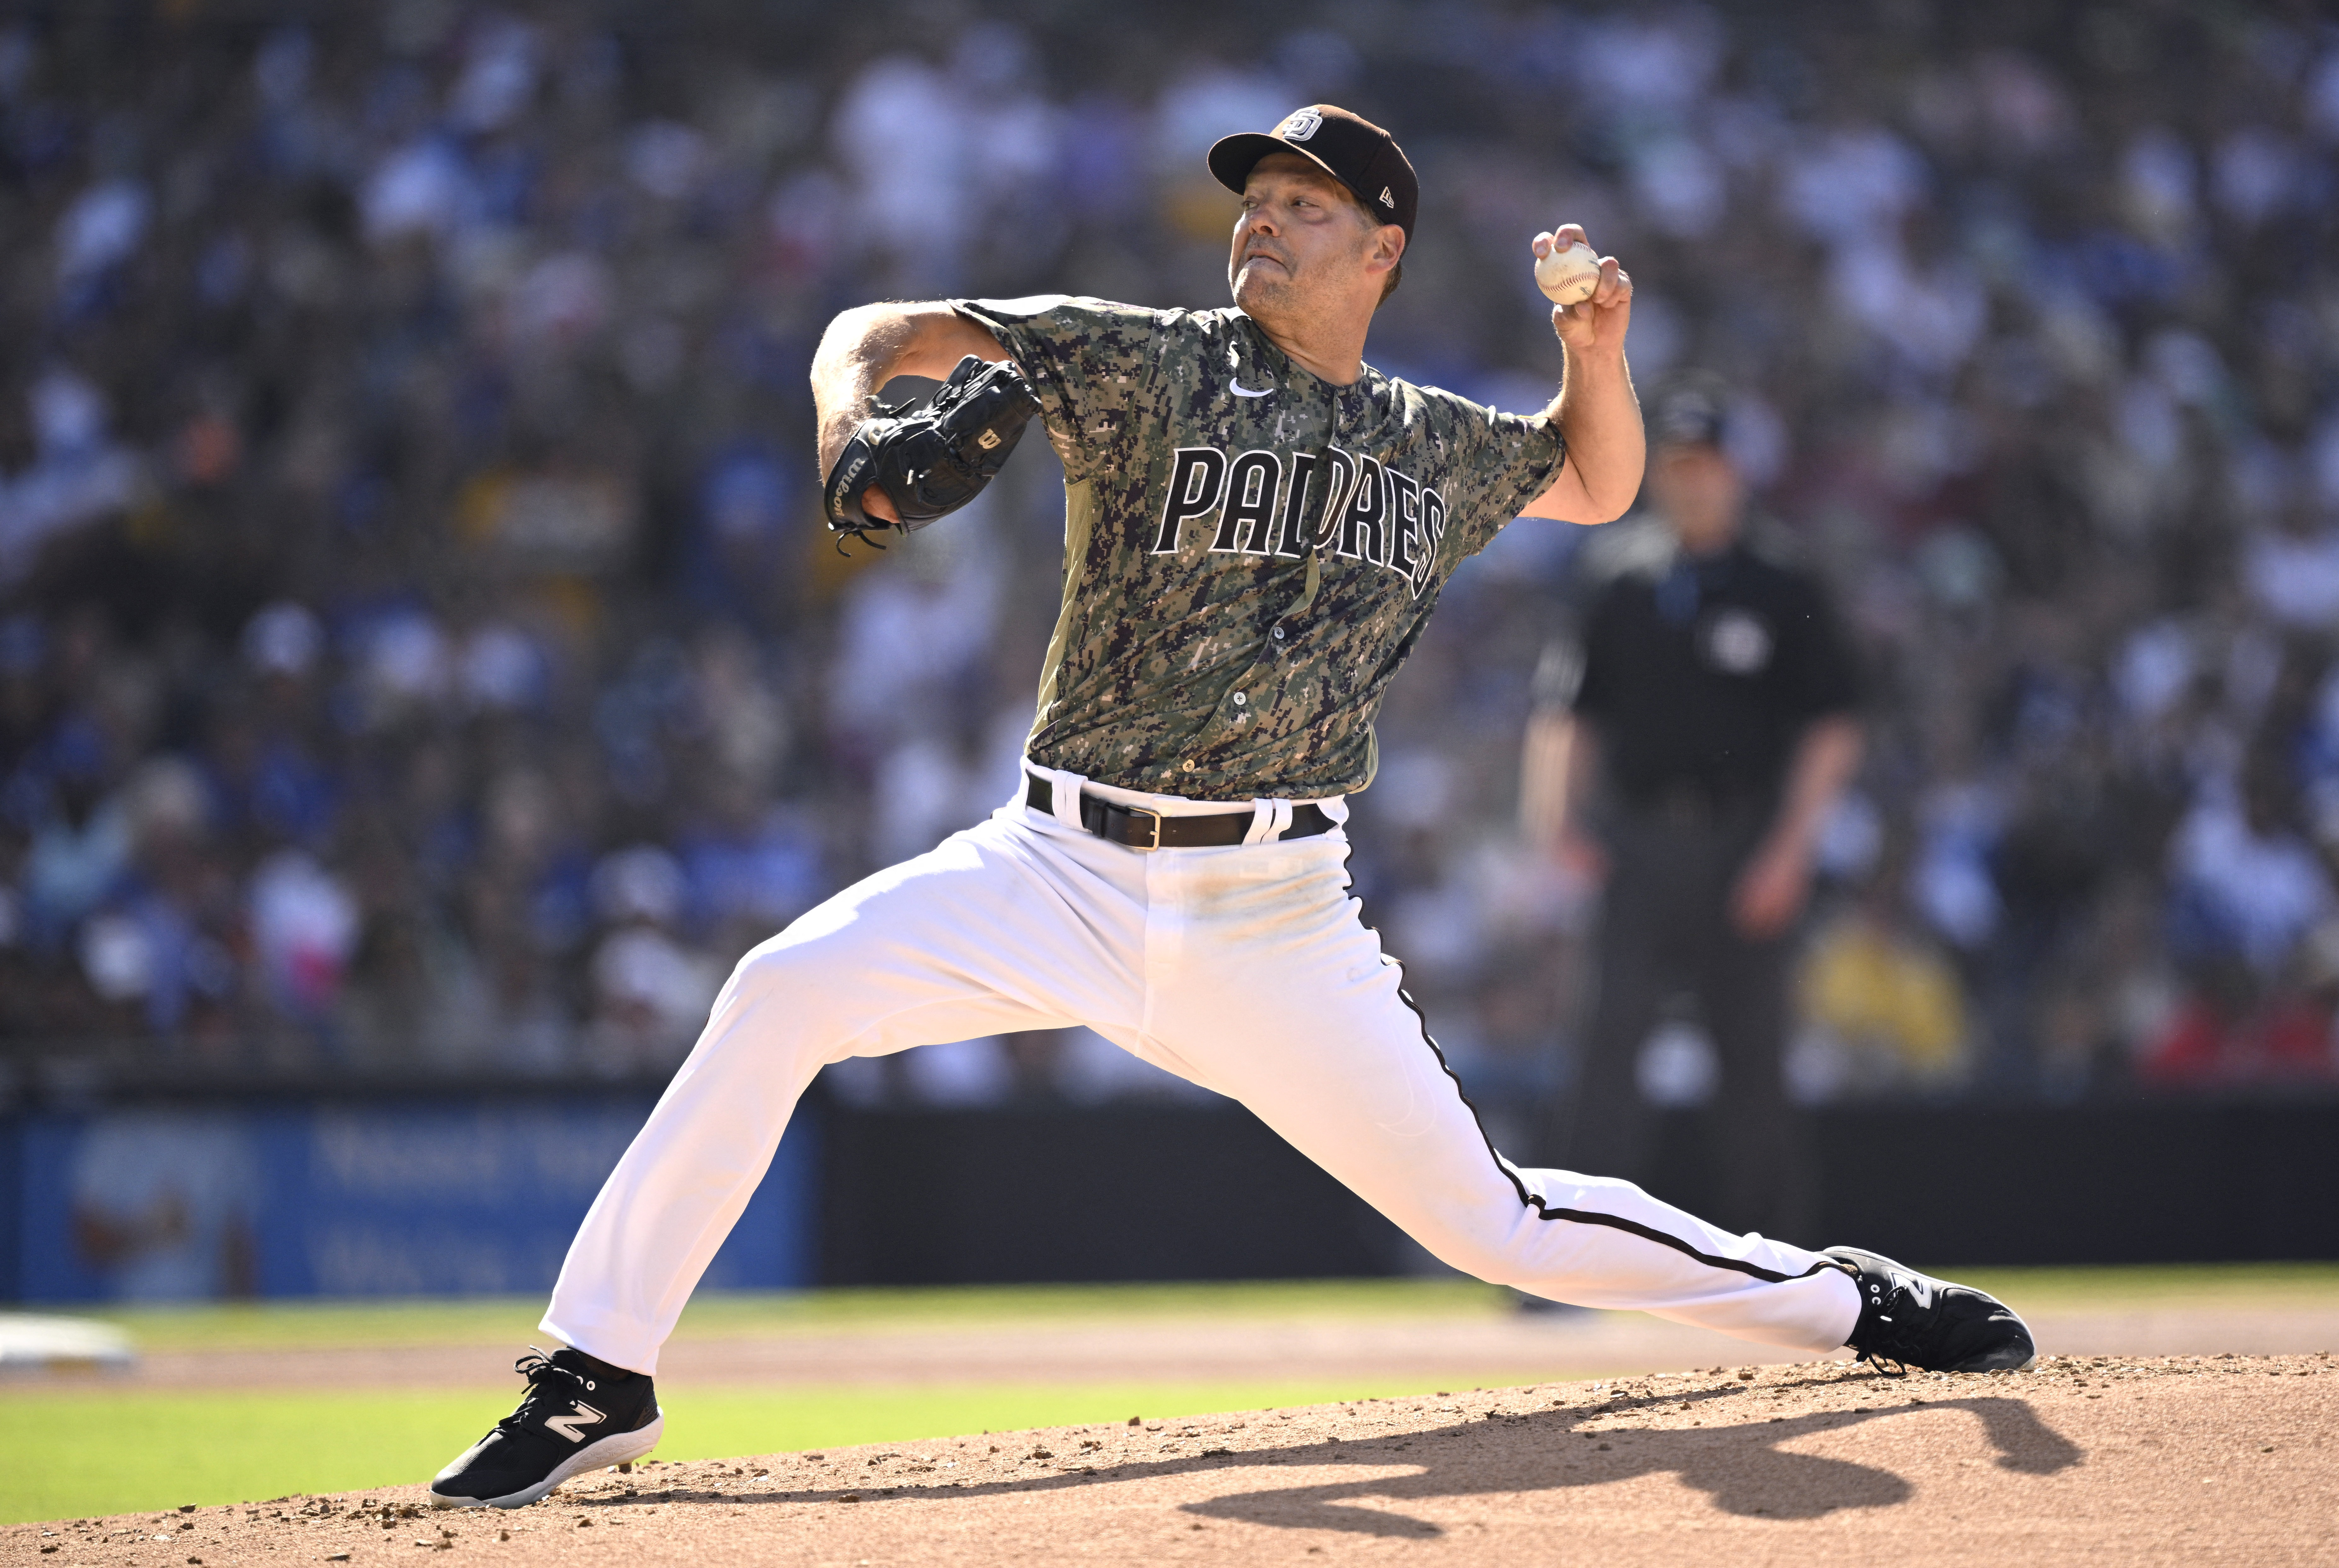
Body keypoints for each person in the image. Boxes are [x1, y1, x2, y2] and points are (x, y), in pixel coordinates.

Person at [428, 105, 2033, 1511]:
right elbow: (879, 323)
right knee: (779, 994)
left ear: (1381, 253)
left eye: (1303, 208)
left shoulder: (1426, 443)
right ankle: (595, 1376)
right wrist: (854, 432)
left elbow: (1598, 484)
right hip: (1053, 866)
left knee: (1497, 1227)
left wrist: (1595, 356)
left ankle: (1846, 1306)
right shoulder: (1148, 360)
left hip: (1276, 916)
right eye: (1252, 203)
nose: (1260, 224)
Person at [1521, 377, 1862, 1239]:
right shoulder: (1618, 578)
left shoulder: (1781, 581)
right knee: (1605, 1050)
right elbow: (1568, 711)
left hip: (1742, 840)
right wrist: (1553, 822)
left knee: (1751, 1059)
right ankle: (1576, 1256)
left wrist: (1789, 850)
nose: (1692, 481)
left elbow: (1831, 726)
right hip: (1635, 841)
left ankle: (1780, 1259)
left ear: (1734, 472)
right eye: (1676, 466)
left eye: (1704, 464)